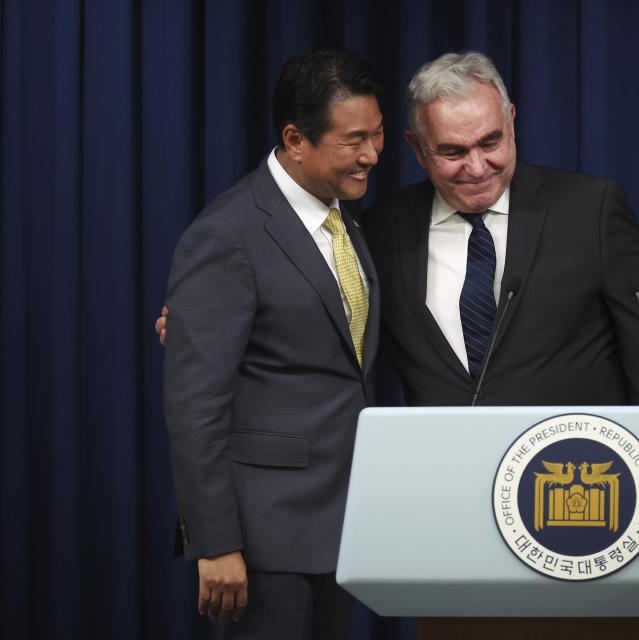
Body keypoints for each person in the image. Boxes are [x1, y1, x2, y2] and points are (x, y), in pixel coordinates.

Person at [161, 48, 385, 639]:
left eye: (379, 134)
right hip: (263, 542)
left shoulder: (347, 218)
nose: (372, 155)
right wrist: (215, 544)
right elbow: (195, 405)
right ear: (295, 140)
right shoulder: (226, 233)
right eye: (354, 139)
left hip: (339, 529)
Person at [361, 51, 639, 406]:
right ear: (418, 149)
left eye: (490, 142)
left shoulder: (591, 211)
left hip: (568, 458)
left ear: (511, 121)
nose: (478, 167)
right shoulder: (382, 230)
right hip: (447, 457)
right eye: (453, 152)